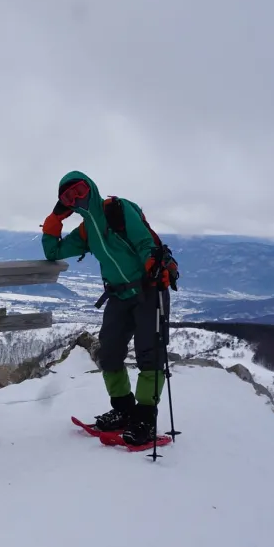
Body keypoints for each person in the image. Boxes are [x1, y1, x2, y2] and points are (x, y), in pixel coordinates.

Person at [40, 170, 179, 446]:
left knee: (149, 353)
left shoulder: (117, 209)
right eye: (69, 197)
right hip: (118, 295)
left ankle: (145, 417)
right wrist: (54, 219)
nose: (77, 198)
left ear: (90, 187)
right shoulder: (86, 231)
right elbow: (53, 252)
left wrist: (154, 264)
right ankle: (124, 408)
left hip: (148, 289)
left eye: (79, 190)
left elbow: (143, 241)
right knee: (110, 352)